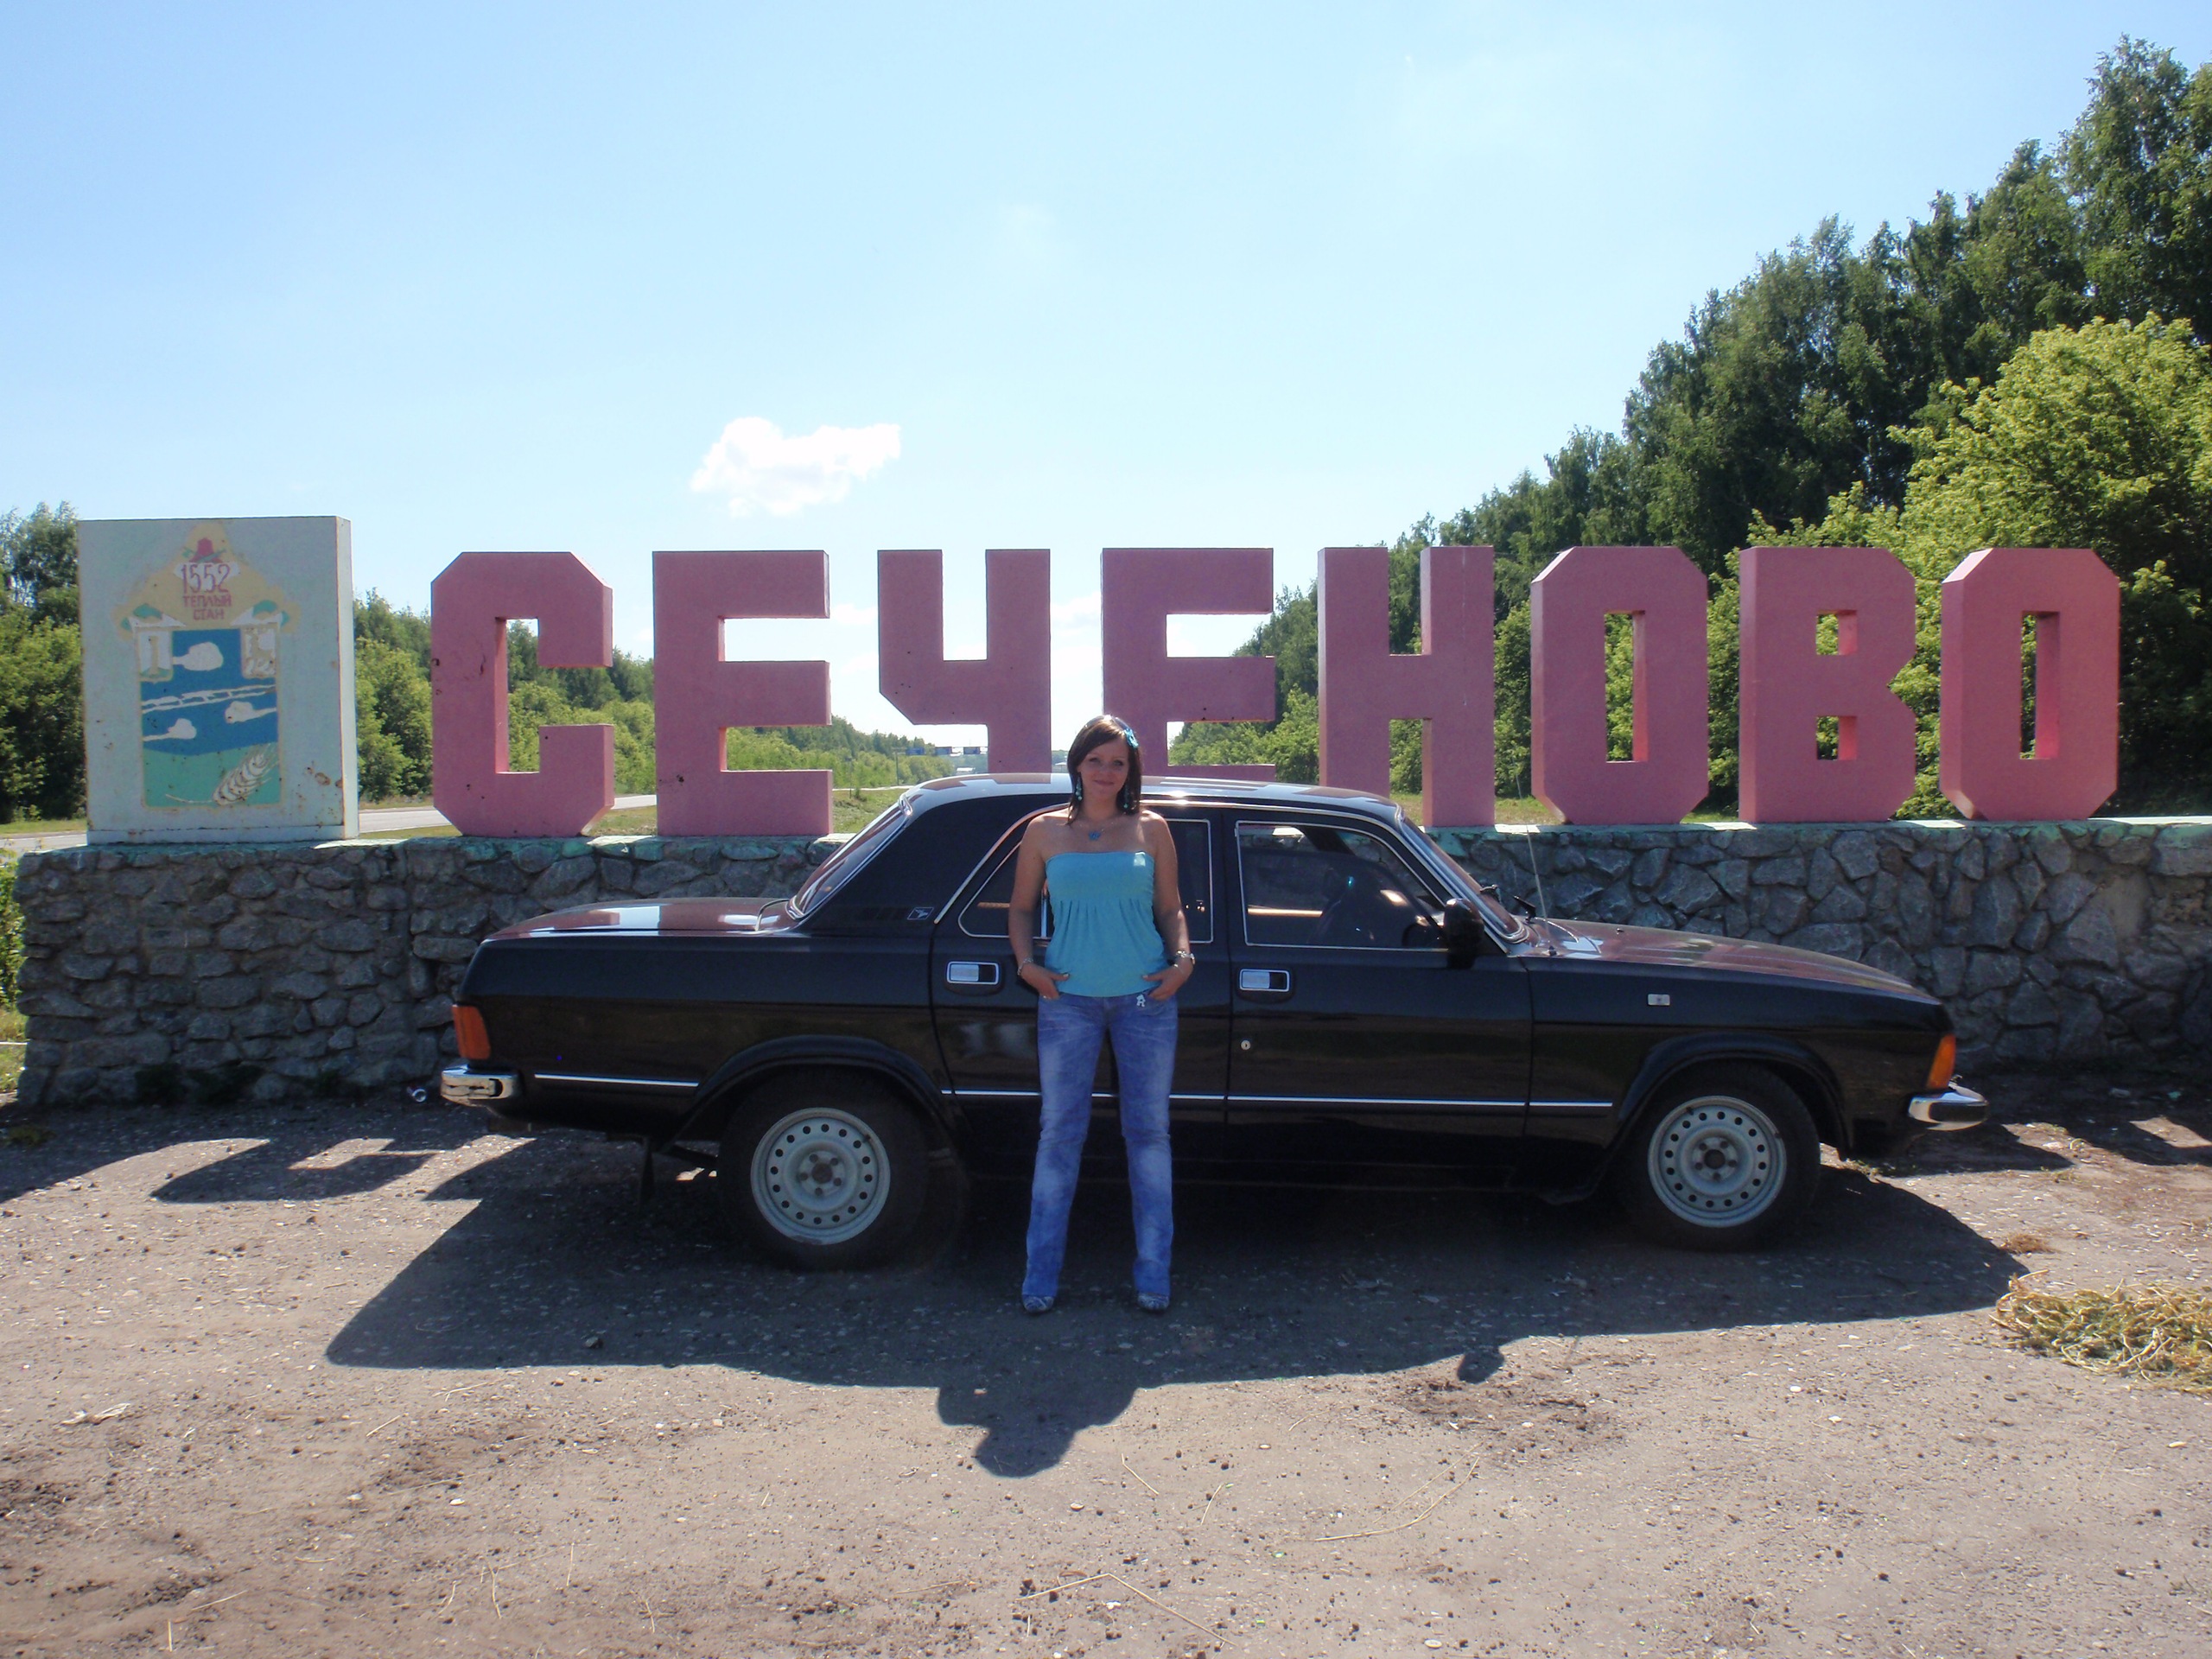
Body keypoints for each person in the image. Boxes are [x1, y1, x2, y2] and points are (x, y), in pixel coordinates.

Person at [1007, 715, 1196, 1314]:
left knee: (1149, 1136)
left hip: (1147, 1001)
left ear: (1130, 769)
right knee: (1060, 1136)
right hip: (1068, 1003)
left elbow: (1170, 909)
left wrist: (1183, 960)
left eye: (1118, 762)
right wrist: (1027, 965)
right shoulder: (1043, 831)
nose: (1107, 772)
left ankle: (1154, 1275)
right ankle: (1040, 1277)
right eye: (1096, 760)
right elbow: (1020, 909)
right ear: (1077, 765)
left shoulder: (1152, 829)